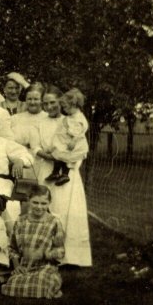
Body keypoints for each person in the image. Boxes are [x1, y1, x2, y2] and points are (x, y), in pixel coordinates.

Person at [30, 86, 92, 267]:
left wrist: (65, 159)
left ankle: (70, 256)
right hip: (47, 170)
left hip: (68, 170)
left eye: (53, 102)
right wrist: (51, 156)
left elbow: (81, 149)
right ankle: (45, 254)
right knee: (48, 208)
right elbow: (35, 147)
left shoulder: (72, 120)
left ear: (61, 102)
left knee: (67, 210)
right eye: (46, 103)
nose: (49, 106)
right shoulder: (39, 124)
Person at [1, 185, 65, 298]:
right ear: (28, 201)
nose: (39, 207)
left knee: (41, 285)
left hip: (45, 266)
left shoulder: (54, 222)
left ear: (49, 203)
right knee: (13, 286)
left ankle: (50, 284)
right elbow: (12, 248)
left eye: (43, 203)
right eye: (35, 202)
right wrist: (17, 266)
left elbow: (60, 251)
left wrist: (46, 254)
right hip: (25, 266)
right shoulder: (20, 221)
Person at [47, 88, 89, 186]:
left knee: (65, 156)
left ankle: (64, 174)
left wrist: (74, 140)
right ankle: (56, 172)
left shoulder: (78, 118)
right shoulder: (72, 116)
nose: (64, 110)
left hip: (72, 144)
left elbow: (80, 131)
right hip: (66, 141)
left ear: (73, 105)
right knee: (59, 154)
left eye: (65, 107)